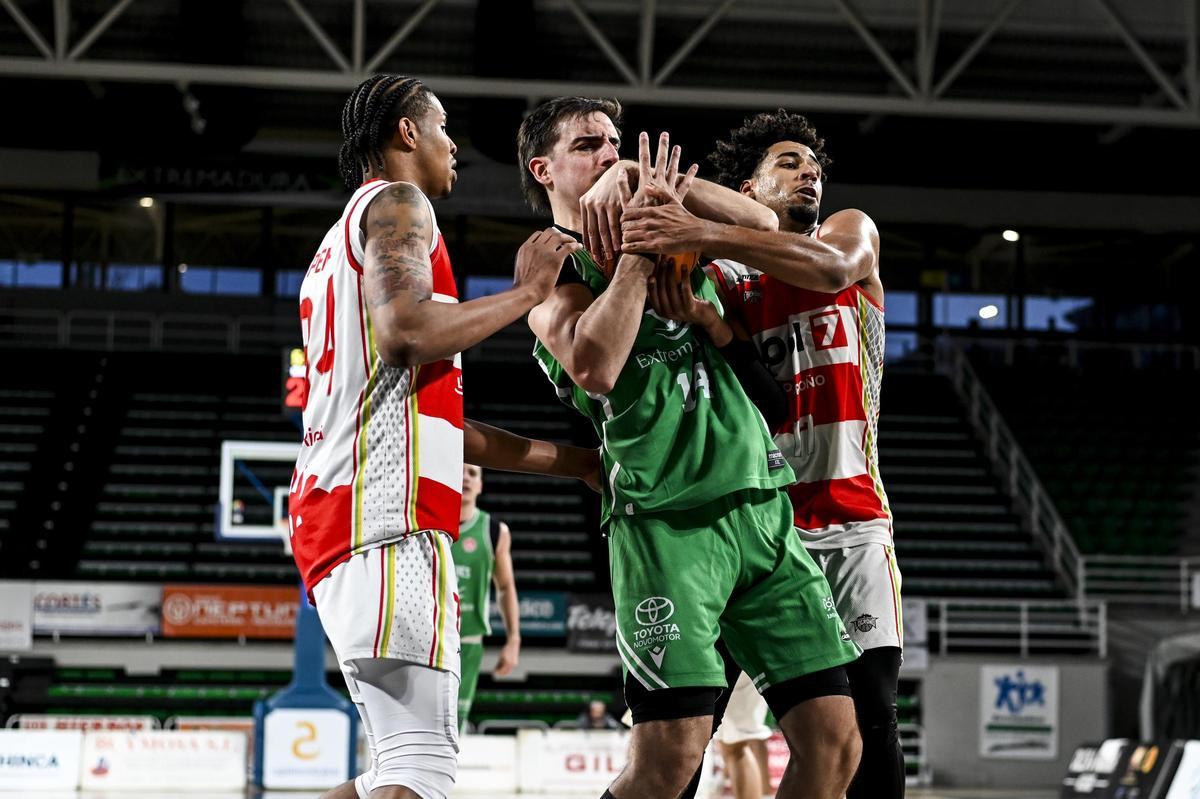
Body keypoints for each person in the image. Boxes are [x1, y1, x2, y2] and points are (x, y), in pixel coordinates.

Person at [518, 96, 861, 799]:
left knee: (834, 741)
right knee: (670, 758)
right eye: (589, 145)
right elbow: (597, 367)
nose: (608, 154)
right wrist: (640, 256)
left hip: (762, 512)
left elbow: (763, 220)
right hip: (668, 524)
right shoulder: (552, 272)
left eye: (616, 143)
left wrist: (649, 182)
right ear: (543, 169)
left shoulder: (673, 225)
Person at [288, 75, 597, 799]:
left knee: (393, 772)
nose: (454, 144)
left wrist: (577, 462)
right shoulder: (401, 205)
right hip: (384, 524)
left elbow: (440, 426)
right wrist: (525, 295)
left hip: (344, 519)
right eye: (442, 127)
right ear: (405, 133)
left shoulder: (334, 248)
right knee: (422, 776)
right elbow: (406, 336)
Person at [621, 108, 904, 799]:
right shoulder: (727, 285)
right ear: (748, 187)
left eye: (814, 167)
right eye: (789, 163)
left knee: (867, 721)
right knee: (687, 724)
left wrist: (705, 231)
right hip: (754, 526)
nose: (810, 173)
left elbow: (835, 268)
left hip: (850, 520)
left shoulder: (846, 232)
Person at [452, 463, 520, 731]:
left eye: (473, 473)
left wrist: (513, 639)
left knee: (454, 725)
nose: (466, 477)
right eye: (461, 470)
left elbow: (505, 587)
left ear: (480, 485)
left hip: (468, 641)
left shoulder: (494, 531)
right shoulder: (426, 522)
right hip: (428, 639)